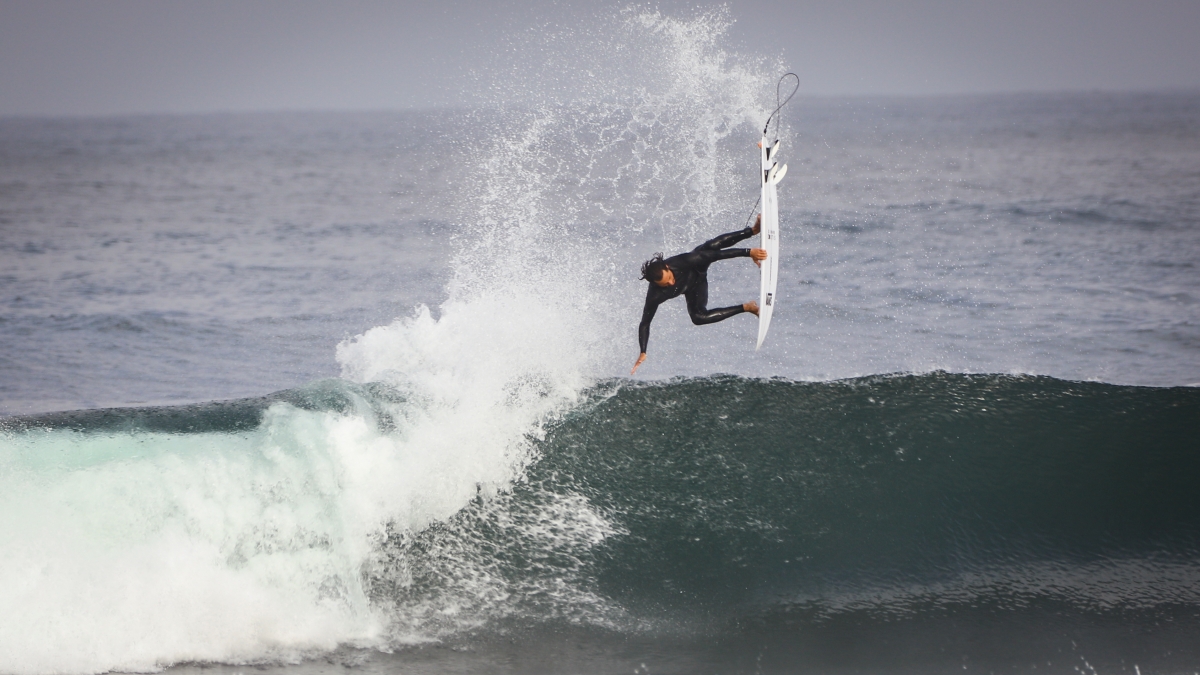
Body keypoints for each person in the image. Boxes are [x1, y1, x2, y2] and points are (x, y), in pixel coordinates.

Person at [631, 215, 767, 374]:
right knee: (698, 317)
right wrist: (643, 351)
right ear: (655, 284)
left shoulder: (680, 261)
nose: (671, 283)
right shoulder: (654, 296)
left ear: (667, 267)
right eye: (665, 284)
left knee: (710, 247)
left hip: (699, 268)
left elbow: (713, 256)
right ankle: (747, 307)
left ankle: (753, 230)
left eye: (670, 277)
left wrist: (748, 252)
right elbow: (645, 323)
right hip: (694, 288)